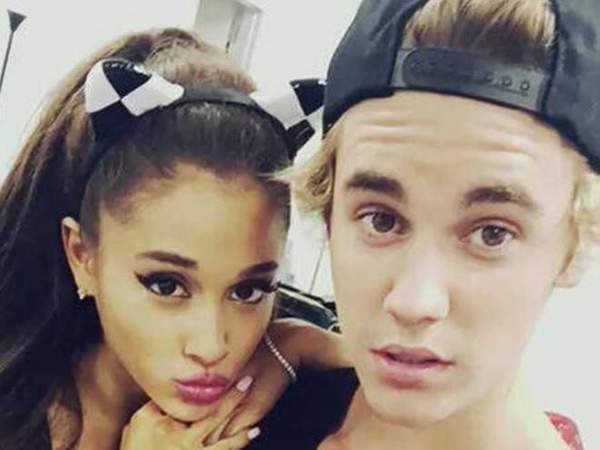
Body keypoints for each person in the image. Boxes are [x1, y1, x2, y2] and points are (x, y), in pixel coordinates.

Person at [249, 0, 600, 449]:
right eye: (381, 220)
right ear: (328, 210)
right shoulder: (246, 413)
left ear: (577, 245)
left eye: (492, 234)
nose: (414, 302)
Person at [0, 28, 349, 450]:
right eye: (166, 285)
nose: (211, 346)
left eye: (249, 291)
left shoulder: (293, 411)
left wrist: (295, 342)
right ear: (82, 256)